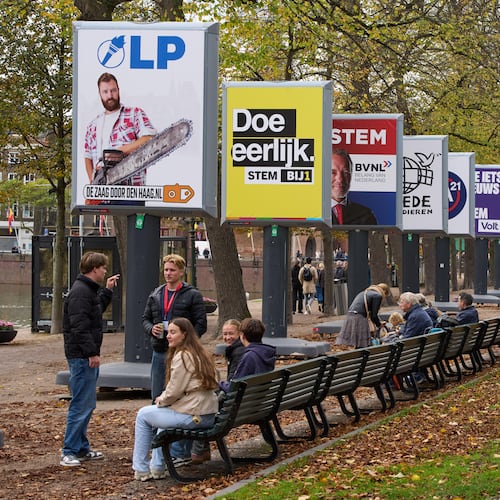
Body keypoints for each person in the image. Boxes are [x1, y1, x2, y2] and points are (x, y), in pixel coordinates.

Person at [132, 318, 219, 481]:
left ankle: (141, 469)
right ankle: (157, 467)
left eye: (173, 332)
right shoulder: (202, 353)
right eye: (168, 332)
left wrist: (161, 400)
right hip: (207, 414)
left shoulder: (184, 356)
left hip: (193, 415)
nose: (168, 336)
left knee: (143, 415)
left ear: (184, 334)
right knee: (161, 418)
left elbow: (174, 391)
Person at [60, 252, 120, 467]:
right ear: (94, 269)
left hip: (83, 355)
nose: (105, 271)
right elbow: (79, 326)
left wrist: (108, 291)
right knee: (80, 403)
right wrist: (91, 352)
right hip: (81, 357)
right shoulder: (80, 293)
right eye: (103, 268)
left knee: (87, 403)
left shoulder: (88, 291)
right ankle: (69, 450)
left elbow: (94, 313)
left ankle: (81, 447)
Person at [143, 254, 207, 402]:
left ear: (181, 272)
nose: (168, 273)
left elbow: (201, 323)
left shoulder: (192, 295)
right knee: (157, 392)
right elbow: (145, 319)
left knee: (179, 391)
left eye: (172, 270)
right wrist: (151, 329)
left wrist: (188, 342)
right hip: (160, 349)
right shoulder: (156, 294)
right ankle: (156, 422)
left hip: (183, 352)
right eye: (166, 270)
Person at [84, 72, 157, 185]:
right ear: (99, 93)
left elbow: (149, 138)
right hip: (102, 191)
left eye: (113, 90)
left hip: (131, 190)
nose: (110, 95)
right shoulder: (93, 125)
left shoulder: (135, 114)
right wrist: (92, 182)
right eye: (105, 92)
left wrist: (122, 151)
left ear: (118, 90)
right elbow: (88, 156)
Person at [190, 319, 244, 465]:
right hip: (248, 404)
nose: (227, 337)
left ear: (240, 334)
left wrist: (217, 386)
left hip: (236, 404)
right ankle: (203, 451)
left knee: (202, 405)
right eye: (225, 334)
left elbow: (233, 384)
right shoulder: (237, 350)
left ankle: (196, 451)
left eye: (231, 334)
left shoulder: (238, 352)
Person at [219, 318, 276, 393]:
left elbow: (233, 388)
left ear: (242, 335)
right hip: (260, 396)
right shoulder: (267, 353)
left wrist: (218, 383)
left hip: (247, 400)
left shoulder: (249, 357)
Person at [335, 283, 390, 348]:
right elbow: (374, 315)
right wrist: (379, 324)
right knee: (363, 345)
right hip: (360, 318)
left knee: (356, 344)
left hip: (350, 316)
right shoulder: (377, 296)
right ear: (384, 291)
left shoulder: (364, 292)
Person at [331, 149, 378, 225]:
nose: (340, 179)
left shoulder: (365, 215)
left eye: (346, 172)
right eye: (333, 172)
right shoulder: (311, 213)